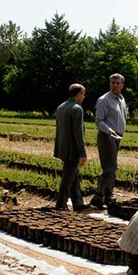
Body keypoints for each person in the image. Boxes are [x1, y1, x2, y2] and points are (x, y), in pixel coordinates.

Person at [90, 73, 128, 209]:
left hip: (117, 137)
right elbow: (99, 121)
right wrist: (109, 130)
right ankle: (101, 195)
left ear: (122, 85)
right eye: (113, 82)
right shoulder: (104, 100)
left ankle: (103, 196)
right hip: (107, 136)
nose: (115, 85)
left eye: (118, 83)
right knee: (110, 168)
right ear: (110, 84)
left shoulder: (121, 99)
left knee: (110, 168)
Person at [54, 83, 90, 211]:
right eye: (83, 94)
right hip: (72, 149)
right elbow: (78, 133)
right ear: (79, 94)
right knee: (67, 178)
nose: (84, 96)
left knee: (73, 176)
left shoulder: (61, 107)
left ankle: (78, 203)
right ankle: (60, 204)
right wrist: (82, 153)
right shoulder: (77, 109)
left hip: (62, 147)